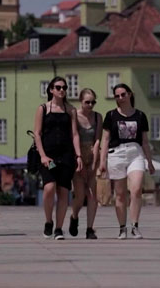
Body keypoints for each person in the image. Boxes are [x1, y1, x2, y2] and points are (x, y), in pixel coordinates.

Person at [98, 84, 155, 239]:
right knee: (120, 194)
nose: (120, 98)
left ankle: (135, 226)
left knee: (136, 189)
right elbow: (105, 139)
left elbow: (144, 141)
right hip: (116, 154)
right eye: (117, 96)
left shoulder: (140, 116)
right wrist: (102, 161)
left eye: (123, 94)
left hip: (135, 153)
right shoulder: (111, 116)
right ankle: (122, 228)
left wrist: (149, 161)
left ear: (130, 94)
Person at [33, 76, 83, 240]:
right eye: (58, 87)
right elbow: (37, 134)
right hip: (48, 156)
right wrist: (42, 155)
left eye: (64, 87)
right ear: (51, 90)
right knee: (49, 188)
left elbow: (75, 134)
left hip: (66, 156)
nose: (62, 90)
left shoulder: (71, 110)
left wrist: (78, 155)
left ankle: (59, 229)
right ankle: (49, 221)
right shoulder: (43, 109)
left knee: (63, 192)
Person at [68, 88, 102, 239]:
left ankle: (90, 229)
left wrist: (95, 162)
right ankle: (74, 216)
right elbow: (74, 135)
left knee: (93, 195)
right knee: (80, 196)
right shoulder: (74, 114)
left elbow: (97, 139)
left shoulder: (97, 117)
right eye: (87, 102)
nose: (90, 105)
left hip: (92, 156)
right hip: (78, 157)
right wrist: (78, 157)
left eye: (93, 102)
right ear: (81, 101)